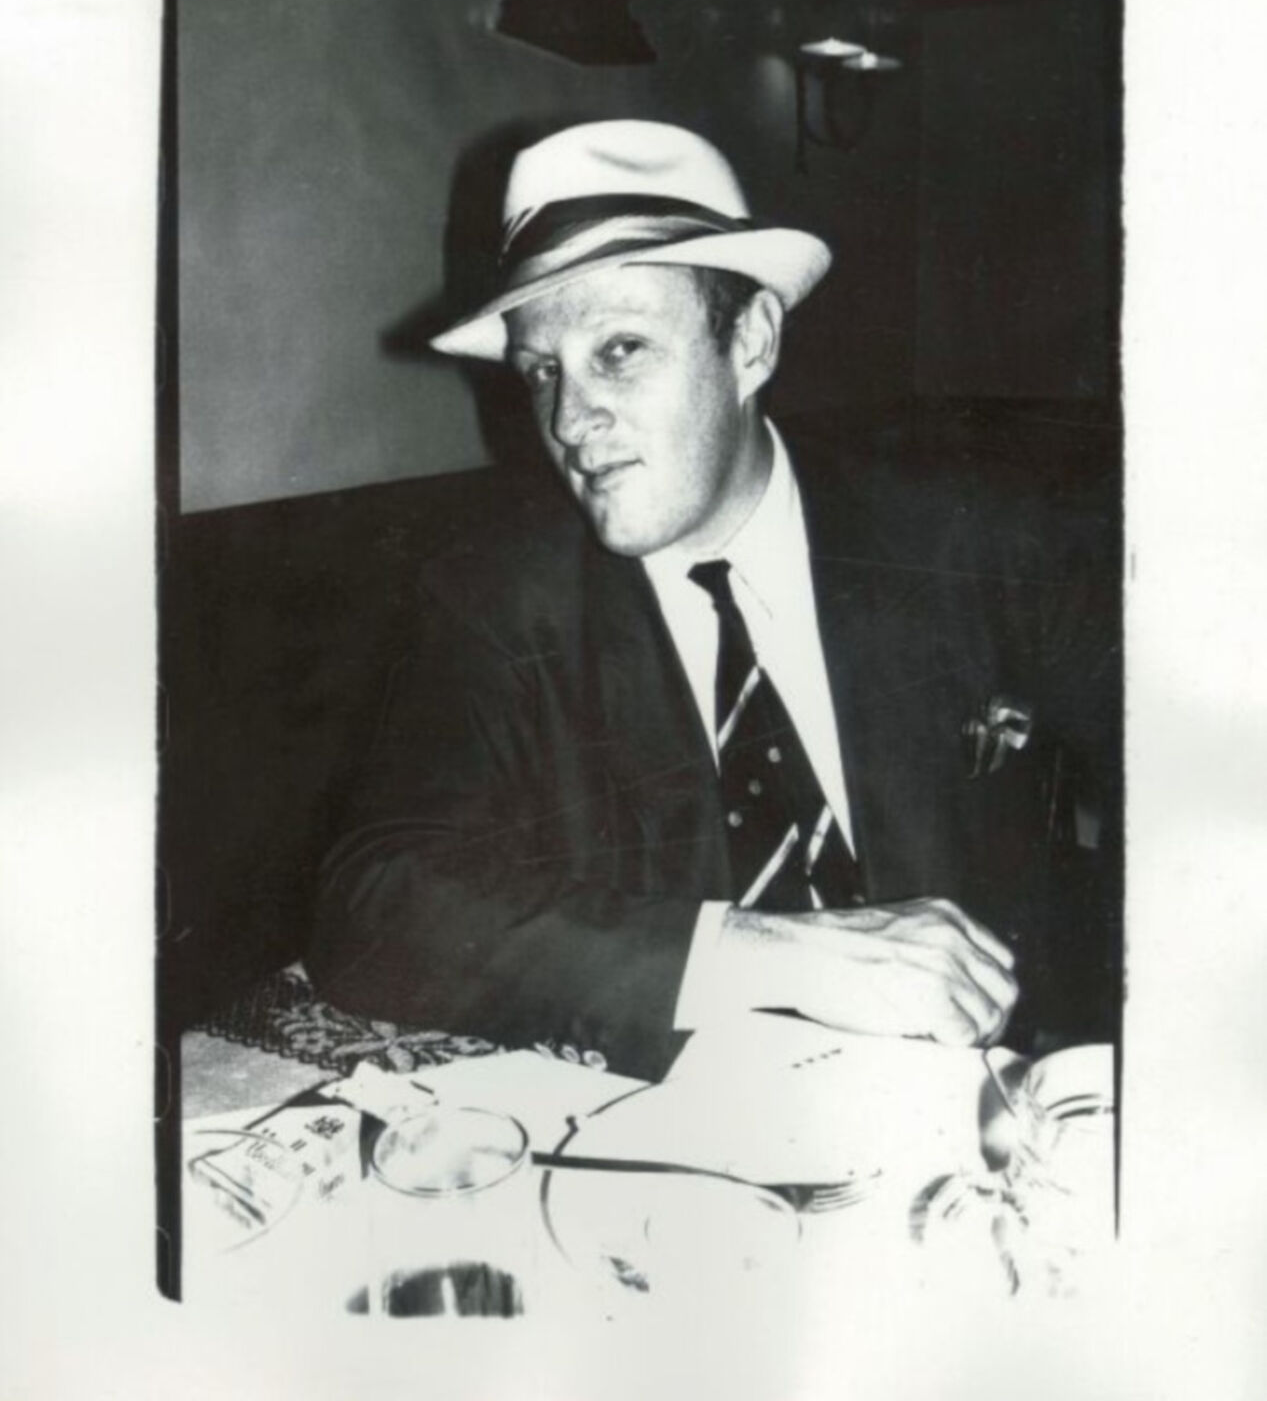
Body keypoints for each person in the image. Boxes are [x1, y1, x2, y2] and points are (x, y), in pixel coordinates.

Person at [307, 119, 1113, 1080]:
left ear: (752, 343)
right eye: (541, 372)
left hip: (987, 1099)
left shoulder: (971, 540)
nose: (569, 420)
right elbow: (369, 912)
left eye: (619, 351)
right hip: (680, 1140)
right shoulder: (496, 599)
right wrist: (750, 954)